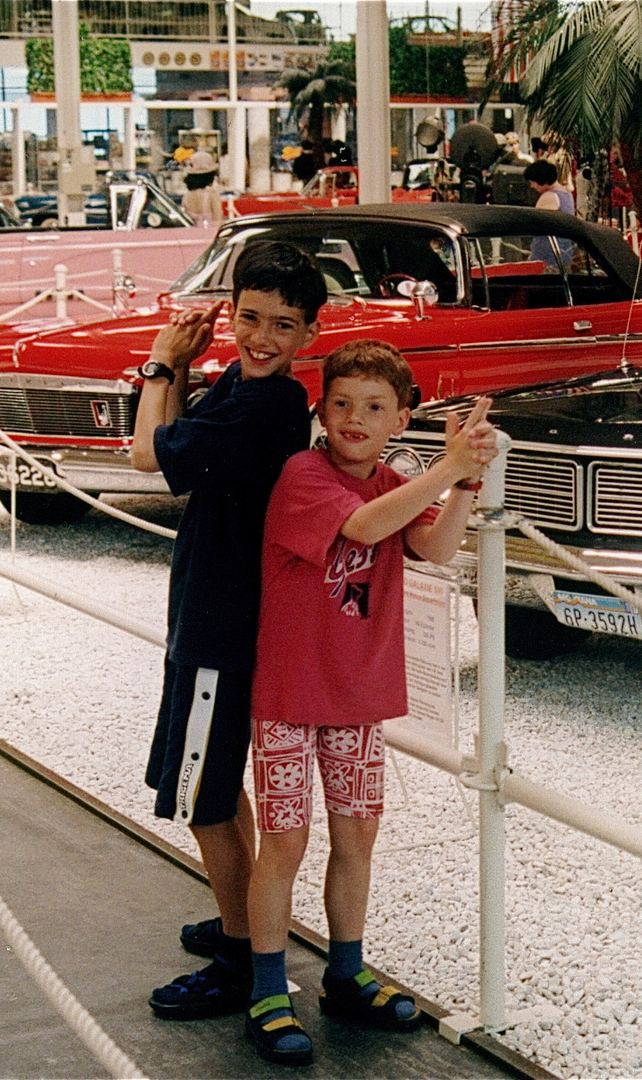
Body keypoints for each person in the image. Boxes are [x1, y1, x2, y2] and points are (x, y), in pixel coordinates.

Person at [242, 341, 497, 1066]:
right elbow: (362, 527)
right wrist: (449, 467)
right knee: (284, 841)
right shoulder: (302, 474)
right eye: (343, 402)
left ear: (402, 418)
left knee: (356, 838)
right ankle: (266, 986)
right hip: (289, 696)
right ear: (321, 408)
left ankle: (346, 971)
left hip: (356, 699)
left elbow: (439, 548)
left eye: (376, 407)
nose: (356, 418)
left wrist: (467, 482)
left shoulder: (394, 480)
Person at [130, 241, 325, 1024]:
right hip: (209, 616)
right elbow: (174, 449)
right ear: (231, 312)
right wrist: (179, 371)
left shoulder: (265, 406)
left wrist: (156, 364)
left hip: (222, 629)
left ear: (311, 332)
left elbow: (147, 453)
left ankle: (242, 953)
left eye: (283, 325)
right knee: (214, 782)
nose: (262, 337)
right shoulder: (241, 388)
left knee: (204, 795)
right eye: (249, 318)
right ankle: (240, 914)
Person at [525, 159, 576, 270]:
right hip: (563, 253)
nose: (532, 186)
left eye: (533, 181)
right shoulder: (567, 194)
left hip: (547, 257)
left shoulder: (549, 196)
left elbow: (535, 224)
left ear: (541, 179)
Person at [182, 147, 220, 225]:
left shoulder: (187, 195)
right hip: (209, 230)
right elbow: (218, 217)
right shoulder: (212, 194)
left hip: (192, 232)